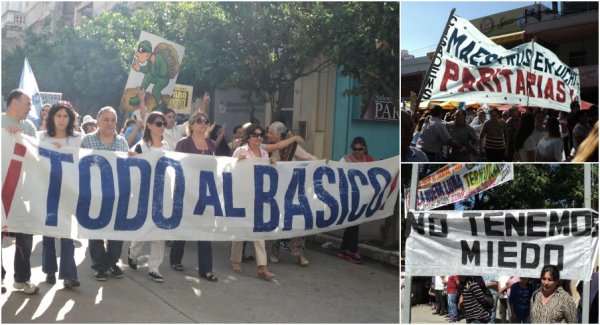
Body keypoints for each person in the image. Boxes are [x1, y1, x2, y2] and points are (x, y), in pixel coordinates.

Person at [169, 112, 219, 282]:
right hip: (186, 192)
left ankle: (206, 269)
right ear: (191, 124)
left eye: (205, 121)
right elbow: (177, 165)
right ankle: (175, 258)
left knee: (204, 230)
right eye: (198, 121)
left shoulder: (211, 144)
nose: (202, 123)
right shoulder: (183, 143)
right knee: (184, 227)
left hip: (205, 192)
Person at [81, 106, 130, 281]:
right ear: (98, 121)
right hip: (93, 194)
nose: (110, 123)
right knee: (95, 231)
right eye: (106, 119)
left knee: (116, 232)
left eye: (113, 120)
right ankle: (99, 266)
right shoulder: (86, 141)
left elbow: (127, 168)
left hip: (116, 194)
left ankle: (112, 262)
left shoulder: (123, 143)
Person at [38, 101, 83, 289]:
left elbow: (82, 160)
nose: (62, 120)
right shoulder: (42, 137)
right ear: (52, 117)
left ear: (70, 118)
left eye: (66, 116)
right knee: (48, 234)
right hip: (47, 190)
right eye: (58, 115)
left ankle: (69, 275)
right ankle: (49, 270)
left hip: (69, 191)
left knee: (67, 235)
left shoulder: (77, 138)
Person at [1, 89, 40, 294]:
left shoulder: (29, 128)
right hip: (1, 188)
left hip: (22, 190)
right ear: (14, 102)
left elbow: (37, 153)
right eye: (27, 103)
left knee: (25, 233)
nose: (30, 107)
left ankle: (22, 279)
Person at [127, 111, 169, 282]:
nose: (162, 127)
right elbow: (131, 165)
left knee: (159, 231)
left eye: (164, 124)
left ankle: (154, 267)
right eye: (159, 123)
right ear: (150, 126)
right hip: (144, 193)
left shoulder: (167, 146)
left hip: (163, 193)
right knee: (144, 228)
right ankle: (133, 253)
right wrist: (130, 156)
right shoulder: (141, 146)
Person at [266, 121, 316, 267]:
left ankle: (299, 255)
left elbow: (309, 158)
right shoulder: (269, 148)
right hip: (275, 191)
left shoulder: (293, 148)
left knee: (297, 221)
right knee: (277, 221)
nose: (268, 135)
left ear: (279, 135)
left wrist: (323, 163)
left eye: (271, 133)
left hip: (292, 191)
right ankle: (274, 252)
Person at [230, 124, 276, 280]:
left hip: (259, 197)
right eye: (255, 135)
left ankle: (262, 267)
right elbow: (229, 170)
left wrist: (273, 162)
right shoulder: (240, 151)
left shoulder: (264, 154)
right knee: (240, 230)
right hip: (242, 196)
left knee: (259, 231)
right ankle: (236, 259)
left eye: (261, 135)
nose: (259, 138)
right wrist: (238, 161)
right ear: (248, 138)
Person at [336, 137, 374, 264]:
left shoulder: (369, 160)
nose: (357, 152)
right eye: (355, 149)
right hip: (349, 197)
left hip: (363, 197)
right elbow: (337, 174)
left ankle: (344, 249)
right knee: (353, 223)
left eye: (360, 149)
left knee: (353, 224)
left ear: (365, 149)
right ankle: (353, 250)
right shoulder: (345, 160)